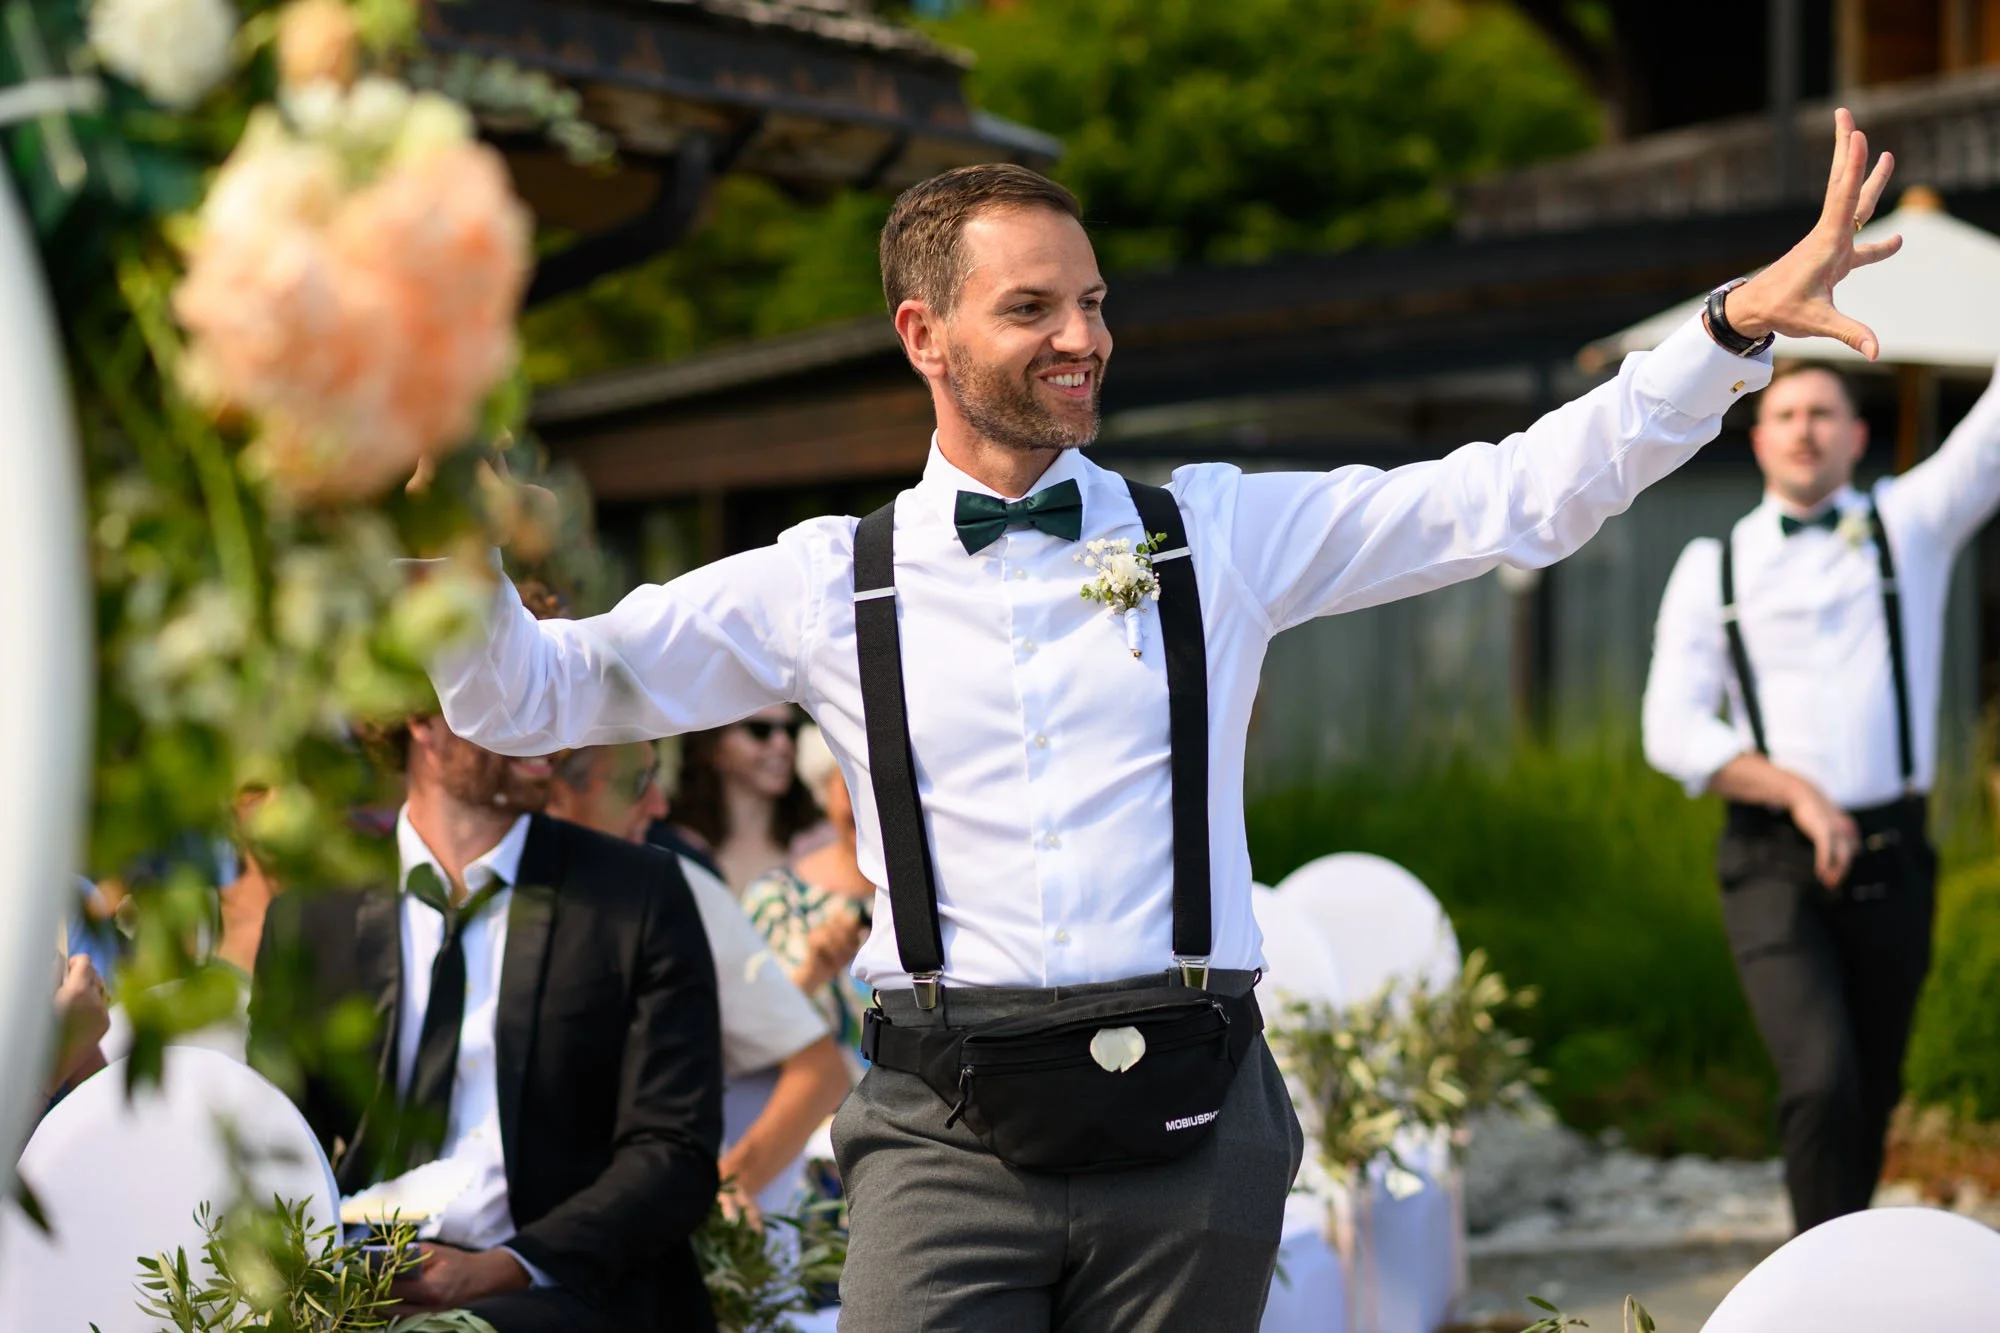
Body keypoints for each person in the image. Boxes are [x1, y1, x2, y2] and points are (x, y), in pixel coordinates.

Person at [423, 110, 1899, 1331]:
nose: (1084, 337)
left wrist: (1724, 332)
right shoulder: (822, 581)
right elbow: (530, 695)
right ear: (923, 333)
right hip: (942, 1138)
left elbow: (1508, 497)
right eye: (1033, 309)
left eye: (1094, 302)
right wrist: (436, 537)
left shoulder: (1214, 533)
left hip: (1195, 1131)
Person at [1642, 359, 2000, 1231]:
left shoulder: (1909, 524)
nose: (1805, 428)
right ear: (1759, 439)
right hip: (1772, 857)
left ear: (1856, 436)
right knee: (1820, 1077)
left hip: (1892, 854)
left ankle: (1847, 1260)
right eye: (1788, 413)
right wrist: (1795, 791)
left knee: (1871, 1090)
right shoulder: (1713, 566)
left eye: (1824, 413)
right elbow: (1670, 727)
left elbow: (1989, 441)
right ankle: (1817, 1276)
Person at [248, 716, 724, 1332]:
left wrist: (508, 1267)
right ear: (424, 719)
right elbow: (274, 1137)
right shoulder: (314, 912)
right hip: (354, 1285)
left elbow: (674, 1150)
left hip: (557, 1288)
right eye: (508, 694)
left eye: (545, 693)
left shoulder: (636, 894)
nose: (546, 724)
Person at [545, 735, 851, 1225]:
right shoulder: (483, 894)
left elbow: (818, 1071)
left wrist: (722, 1196)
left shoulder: (678, 892)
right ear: (551, 788)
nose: (659, 805)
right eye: (635, 783)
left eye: (654, 779)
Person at [743, 725, 873, 1056]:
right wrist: (811, 972)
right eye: (853, 787)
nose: (872, 809)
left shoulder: (940, 894)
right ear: (823, 790)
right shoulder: (777, 899)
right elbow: (745, 1036)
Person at [670, 708, 827, 894]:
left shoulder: (823, 841)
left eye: (792, 730)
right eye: (759, 730)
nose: (783, 744)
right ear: (714, 746)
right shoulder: (675, 843)